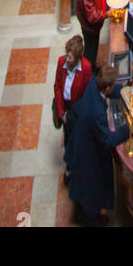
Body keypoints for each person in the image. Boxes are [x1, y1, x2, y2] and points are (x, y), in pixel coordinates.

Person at [65, 64, 130, 226]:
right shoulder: (97, 114)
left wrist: (125, 90)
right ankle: (91, 218)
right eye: (113, 85)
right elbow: (107, 140)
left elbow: (109, 89)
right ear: (107, 88)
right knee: (91, 189)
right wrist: (128, 129)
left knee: (80, 184)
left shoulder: (94, 83)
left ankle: (80, 209)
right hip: (88, 154)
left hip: (78, 141)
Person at [53, 35, 91, 185]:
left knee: (77, 138)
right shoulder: (61, 62)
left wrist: (74, 114)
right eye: (66, 55)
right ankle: (70, 167)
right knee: (69, 139)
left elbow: (85, 94)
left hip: (77, 109)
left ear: (77, 58)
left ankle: (75, 166)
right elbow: (57, 86)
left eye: (70, 57)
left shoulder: (86, 68)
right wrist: (61, 112)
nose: (66, 59)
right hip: (65, 106)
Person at [76, 0, 108, 71]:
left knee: (94, 48)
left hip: (96, 25)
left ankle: (93, 66)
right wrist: (108, 13)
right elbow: (92, 16)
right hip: (90, 28)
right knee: (90, 50)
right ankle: (89, 73)